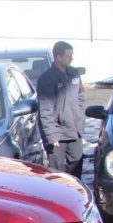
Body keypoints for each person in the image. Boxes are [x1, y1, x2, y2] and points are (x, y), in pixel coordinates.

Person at [36, 41, 85, 178]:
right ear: (58, 57)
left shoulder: (73, 73)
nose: (72, 58)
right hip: (58, 135)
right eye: (69, 56)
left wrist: (80, 119)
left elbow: (81, 95)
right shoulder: (46, 79)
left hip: (75, 132)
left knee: (76, 168)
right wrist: (52, 136)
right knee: (57, 173)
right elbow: (45, 110)